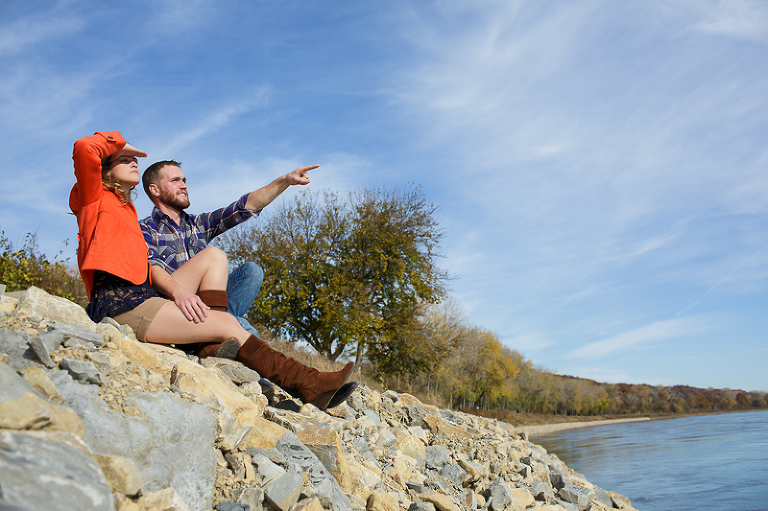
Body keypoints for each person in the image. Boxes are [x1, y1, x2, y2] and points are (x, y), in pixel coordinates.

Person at [69, 131, 356, 410]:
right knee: (232, 325)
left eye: (134, 160)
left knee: (226, 262)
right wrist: (122, 144)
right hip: (126, 301)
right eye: (123, 160)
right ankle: (308, 383)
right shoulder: (95, 199)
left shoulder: (135, 211)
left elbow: (242, 208)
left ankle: (216, 342)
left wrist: (284, 181)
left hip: (156, 298)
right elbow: (85, 147)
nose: (134, 162)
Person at [138, 159, 306, 358]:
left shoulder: (197, 224)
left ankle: (220, 327)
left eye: (184, 180)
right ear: (154, 190)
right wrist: (180, 293)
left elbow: (244, 207)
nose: (183, 185)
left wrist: (285, 181)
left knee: (252, 271)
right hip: (175, 307)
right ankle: (228, 344)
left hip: (207, 303)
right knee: (243, 326)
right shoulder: (145, 228)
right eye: (175, 180)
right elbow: (152, 272)